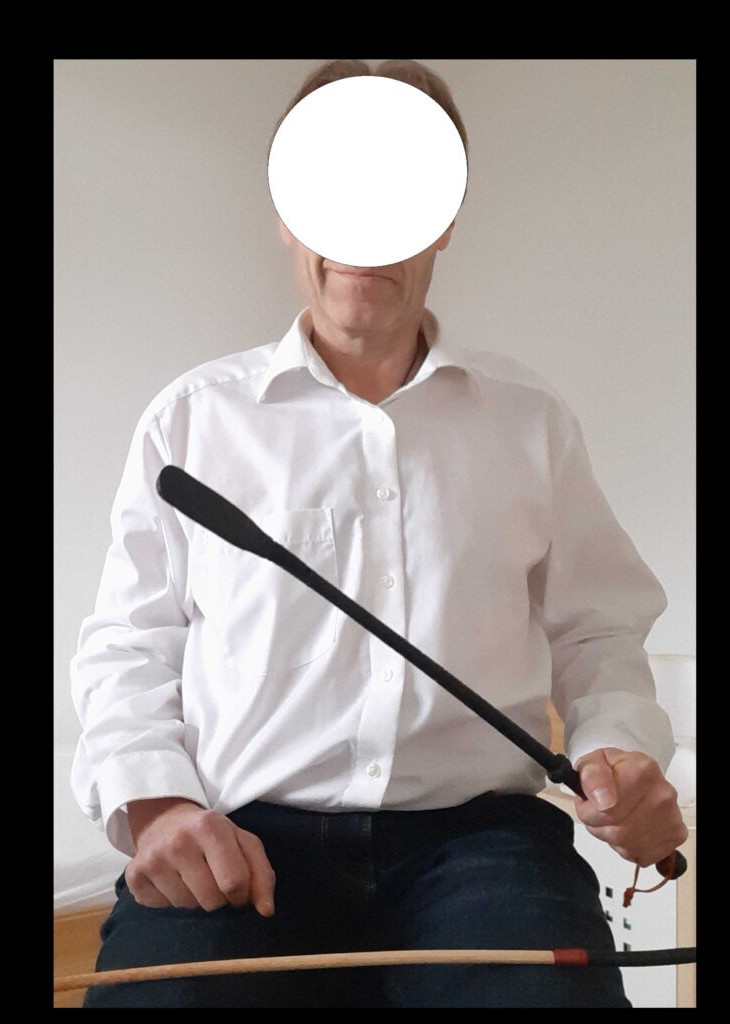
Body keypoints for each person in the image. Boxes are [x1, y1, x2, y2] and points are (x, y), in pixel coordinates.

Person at [69, 59, 688, 1009]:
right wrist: (156, 805)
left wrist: (619, 748)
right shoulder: (190, 421)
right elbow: (129, 645)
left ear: (445, 217)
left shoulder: (531, 422)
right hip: (238, 836)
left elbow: (599, 629)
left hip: (480, 844)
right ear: (286, 211)